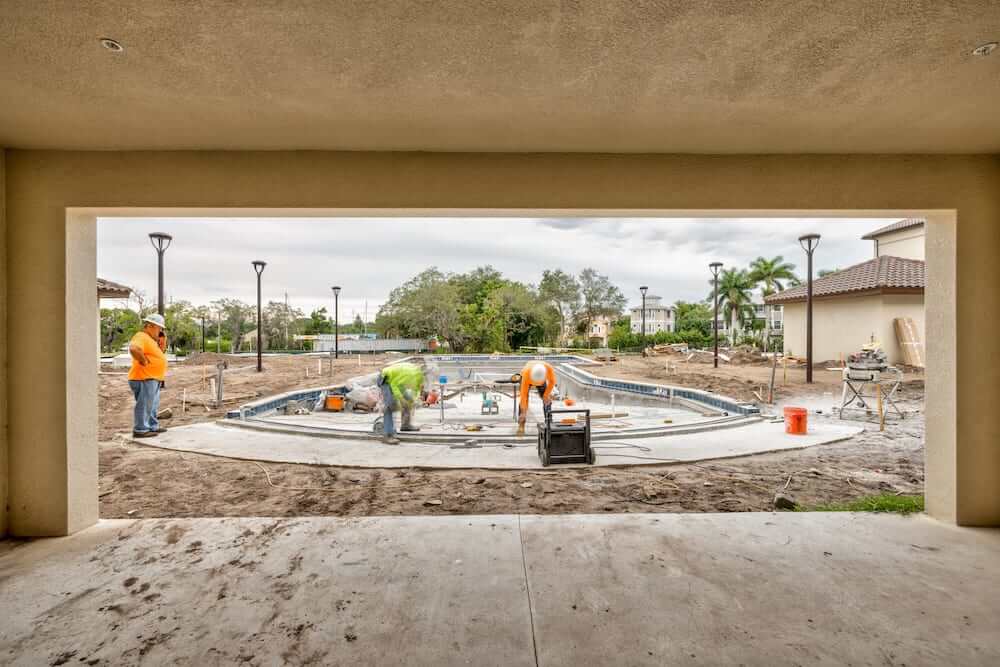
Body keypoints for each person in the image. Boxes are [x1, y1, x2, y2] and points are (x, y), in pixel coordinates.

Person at [128, 313, 168, 438]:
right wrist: (144, 361)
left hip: (152, 378)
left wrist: (162, 341)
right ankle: (140, 429)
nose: (160, 331)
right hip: (144, 378)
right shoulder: (141, 336)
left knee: (152, 404)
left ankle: (152, 426)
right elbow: (134, 349)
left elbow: (159, 354)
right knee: (144, 404)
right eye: (159, 328)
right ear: (150, 326)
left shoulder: (151, 340)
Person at [377, 362, 425, 444]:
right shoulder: (409, 375)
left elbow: (417, 389)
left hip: (397, 381)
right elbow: (394, 384)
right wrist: (401, 399)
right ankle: (387, 435)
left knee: (409, 399)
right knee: (390, 405)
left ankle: (405, 425)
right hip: (386, 379)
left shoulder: (419, 377)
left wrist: (414, 400)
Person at [516, 361, 556, 436]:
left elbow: (552, 382)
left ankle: (549, 422)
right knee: (523, 404)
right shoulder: (526, 375)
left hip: (540, 379)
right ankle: (521, 424)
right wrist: (523, 412)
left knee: (547, 400)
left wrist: (546, 395)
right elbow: (524, 397)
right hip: (527, 377)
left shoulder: (548, 369)